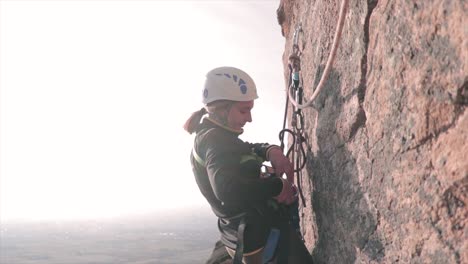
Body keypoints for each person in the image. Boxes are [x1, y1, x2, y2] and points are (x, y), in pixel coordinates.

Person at [184, 66, 313, 264]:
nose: (249, 118)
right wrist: (277, 187)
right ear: (221, 109)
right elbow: (227, 190)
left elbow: (242, 150)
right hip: (257, 235)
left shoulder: (213, 135)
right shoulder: (215, 141)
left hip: (241, 231)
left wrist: (270, 150)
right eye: (244, 110)